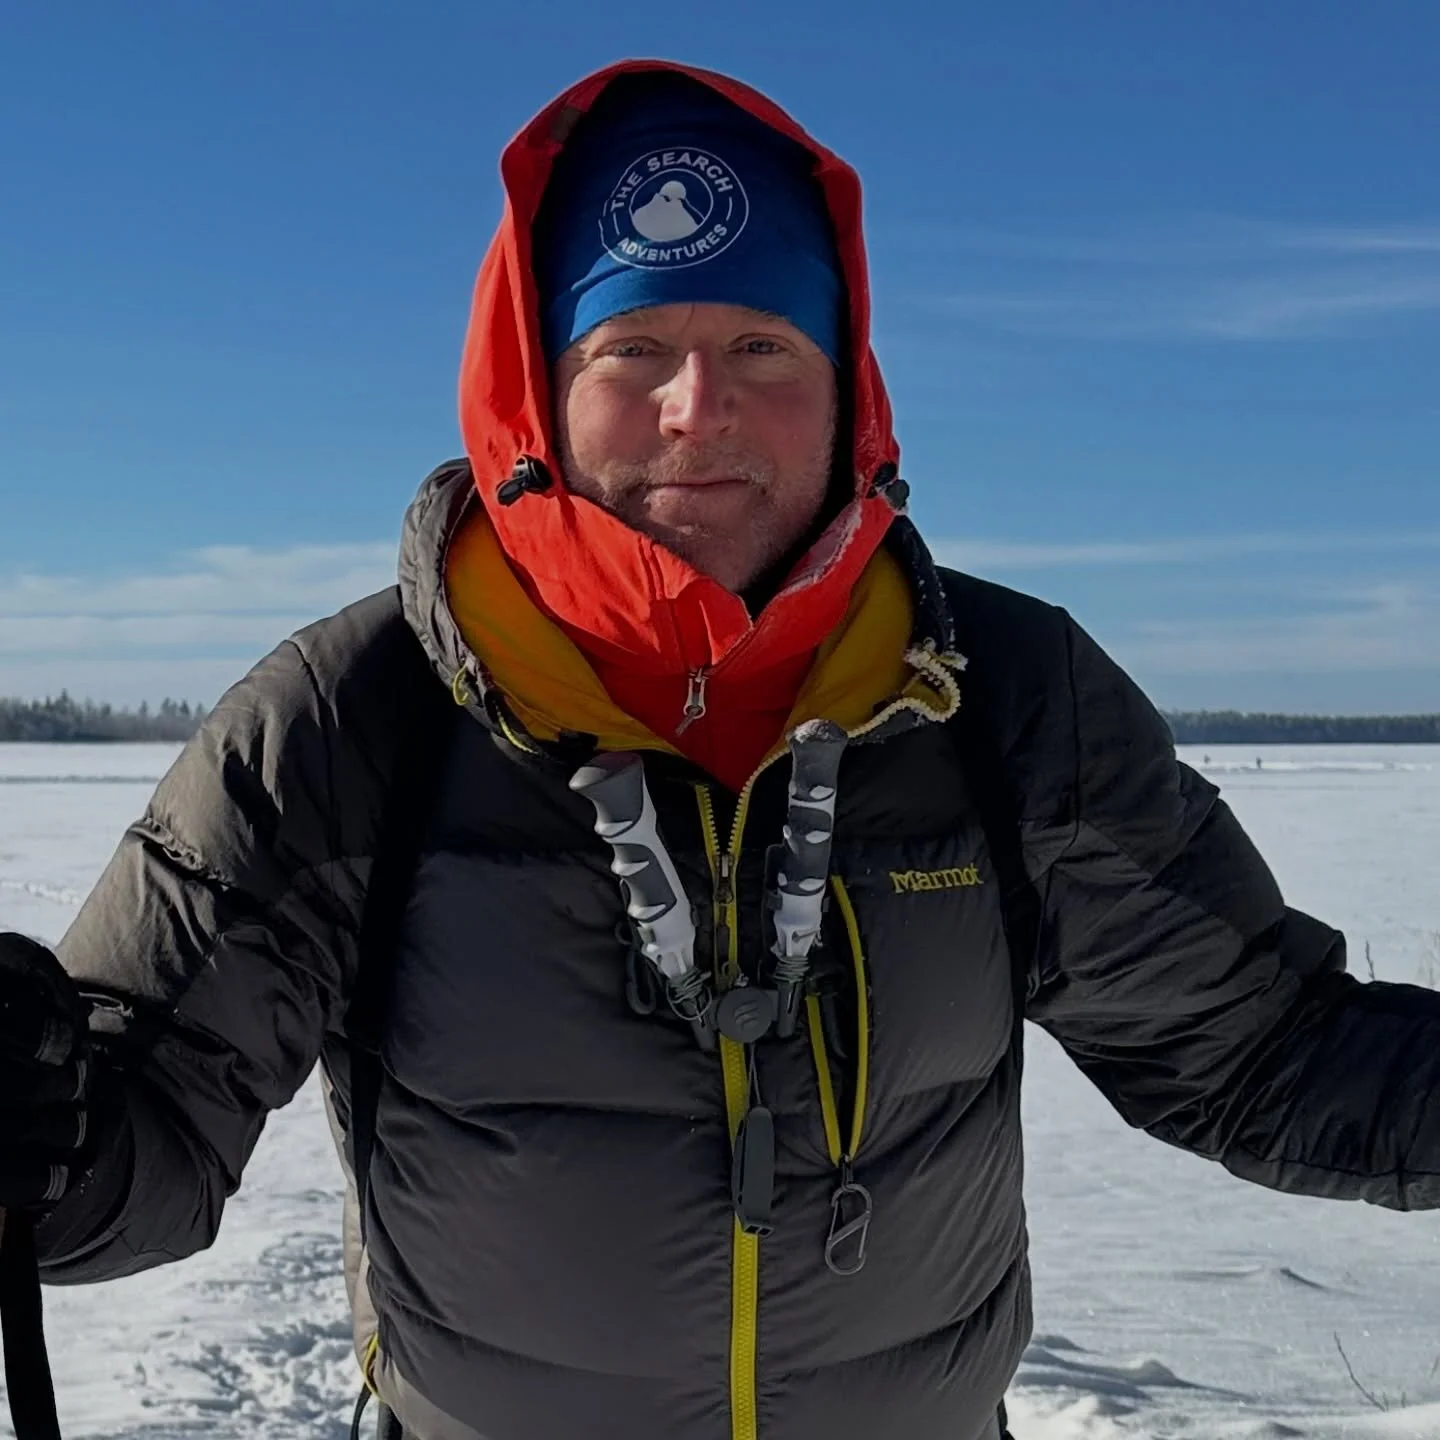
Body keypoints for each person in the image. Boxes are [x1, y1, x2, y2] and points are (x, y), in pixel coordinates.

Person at [1, 59, 1436, 1440]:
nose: (703, 410)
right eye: (633, 351)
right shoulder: (348, 719)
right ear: (536, 388)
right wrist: (39, 1130)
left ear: (848, 384)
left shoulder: (1004, 699)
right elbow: (136, 1138)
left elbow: (1261, 1050)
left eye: (763, 346)